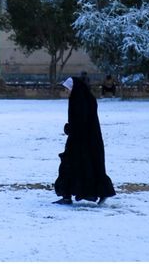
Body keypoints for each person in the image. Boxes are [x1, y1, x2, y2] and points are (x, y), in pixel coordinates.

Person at [54, 77, 116, 205]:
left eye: (67, 90)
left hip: (82, 142)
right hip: (85, 141)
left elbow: (82, 122)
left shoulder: (80, 101)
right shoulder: (82, 99)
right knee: (83, 167)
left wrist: (69, 128)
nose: (66, 92)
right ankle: (68, 195)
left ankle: (70, 195)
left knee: (74, 166)